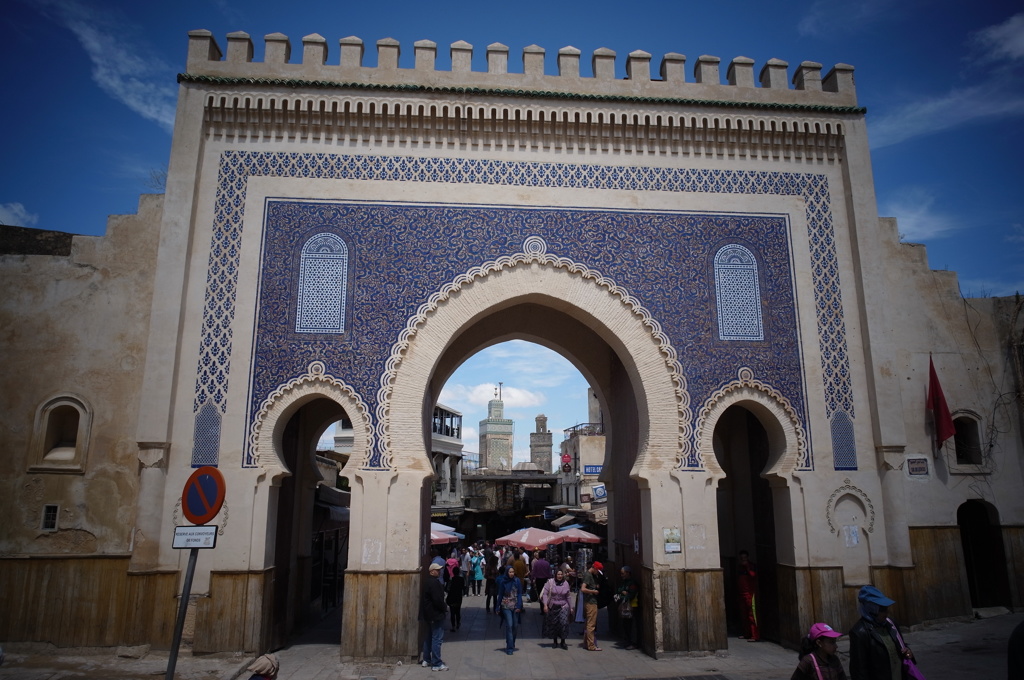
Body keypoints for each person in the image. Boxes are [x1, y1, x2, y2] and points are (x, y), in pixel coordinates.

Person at [848, 585, 914, 680]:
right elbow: (859, 670)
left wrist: (908, 652)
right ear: (871, 608)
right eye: (882, 609)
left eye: (886, 608)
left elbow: (901, 647)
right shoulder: (860, 633)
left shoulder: (891, 624)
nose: (886, 613)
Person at [420, 562, 449, 672]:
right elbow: (437, 600)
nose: (439, 571)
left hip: (428, 614)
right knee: (437, 638)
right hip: (435, 614)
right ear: (432, 571)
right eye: (437, 570)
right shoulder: (435, 583)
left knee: (428, 637)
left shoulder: (427, 582)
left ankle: (426, 659)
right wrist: (444, 607)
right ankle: (437, 663)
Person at [540, 567, 574, 649]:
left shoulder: (566, 583)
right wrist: (545, 605)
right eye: (558, 574)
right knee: (554, 624)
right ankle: (555, 641)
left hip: (563, 606)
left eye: (561, 574)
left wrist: (571, 607)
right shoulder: (550, 582)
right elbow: (545, 594)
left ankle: (563, 641)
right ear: (555, 575)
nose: (560, 576)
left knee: (564, 623)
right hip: (553, 606)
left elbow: (568, 596)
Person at [495, 564, 524, 655]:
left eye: (513, 572)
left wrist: (519, 605)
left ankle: (511, 641)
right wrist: (497, 606)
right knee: (509, 625)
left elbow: (519, 593)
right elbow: (500, 594)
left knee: (515, 626)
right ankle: (510, 648)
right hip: (506, 606)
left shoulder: (517, 581)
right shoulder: (503, 582)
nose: (511, 574)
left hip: (515, 606)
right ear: (507, 573)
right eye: (510, 572)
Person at [581, 560, 604, 651]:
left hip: (590, 601)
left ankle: (586, 643)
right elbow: (583, 589)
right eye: (597, 571)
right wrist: (593, 591)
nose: (597, 573)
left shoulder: (592, 575)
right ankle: (591, 645)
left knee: (588, 623)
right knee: (591, 624)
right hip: (591, 602)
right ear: (594, 568)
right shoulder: (588, 575)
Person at [737, 550, 760, 642]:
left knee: (751, 615)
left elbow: (753, 575)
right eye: (742, 558)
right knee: (744, 615)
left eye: (745, 558)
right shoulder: (739, 567)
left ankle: (755, 635)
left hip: (750, 594)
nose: (743, 560)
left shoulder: (751, 566)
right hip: (742, 593)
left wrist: (747, 567)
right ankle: (747, 634)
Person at [615, 565, 639, 649]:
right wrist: (623, 592)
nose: (621, 575)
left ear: (628, 573)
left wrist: (625, 595)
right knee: (626, 625)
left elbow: (631, 594)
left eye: (623, 573)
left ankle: (633, 643)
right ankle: (628, 641)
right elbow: (619, 590)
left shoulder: (632, 582)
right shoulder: (624, 582)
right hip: (625, 607)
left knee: (632, 625)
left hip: (632, 606)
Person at [445, 565, 465, 632]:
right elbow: (463, 587)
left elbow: (447, 589)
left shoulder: (451, 580)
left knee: (452, 612)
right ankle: (458, 623)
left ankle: (453, 626)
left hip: (451, 597)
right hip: (458, 597)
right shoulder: (461, 579)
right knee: (458, 611)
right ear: (459, 572)